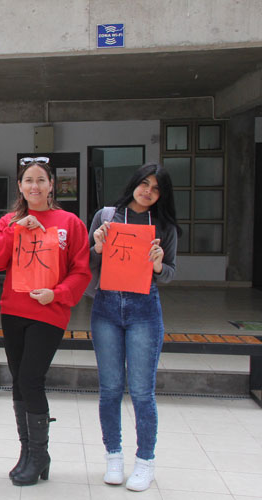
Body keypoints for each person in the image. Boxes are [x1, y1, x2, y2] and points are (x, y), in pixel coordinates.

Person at [0, 157, 91, 487]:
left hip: (48, 312)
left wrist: (57, 294)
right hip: (13, 311)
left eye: (40, 180)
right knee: (18, 380)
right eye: (28, 180)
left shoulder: (69, 223)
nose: (34, 186)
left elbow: (82, 271)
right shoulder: (9, 221)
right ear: (20, 186)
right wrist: (16, 229)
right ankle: (28, 453)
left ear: (51, 185)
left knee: (31, 378)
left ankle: (40, 454)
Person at [88, 163, 179, 492]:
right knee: (110, 389)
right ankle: (113, 456)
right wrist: (97, 245)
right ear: (134, 184)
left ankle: (145, 462)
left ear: (161, 195)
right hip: (107, 307)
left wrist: (157, 265)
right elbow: (85, 262)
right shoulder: (107, 216)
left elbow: (170, 272)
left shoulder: (164, 226)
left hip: (144, 310)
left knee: (142, 392)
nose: (148, 192)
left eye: (156, 188)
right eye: (144, 184)